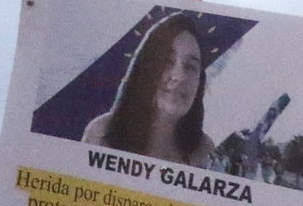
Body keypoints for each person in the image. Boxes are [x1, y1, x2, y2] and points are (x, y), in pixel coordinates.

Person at [83, 12, 216, 167]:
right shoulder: (101, 135)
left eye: (190, 67)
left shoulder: (204, 152)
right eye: (167, 61)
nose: (179, 77)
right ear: (145, 68)